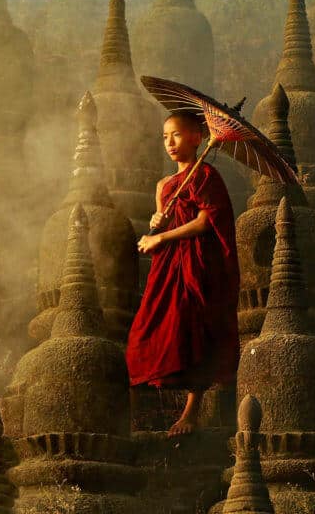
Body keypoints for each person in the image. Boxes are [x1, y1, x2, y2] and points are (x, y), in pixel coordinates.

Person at [126, 111, 240, 437]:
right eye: (165, 137)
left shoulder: (205, 175)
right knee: (144, 331)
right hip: (167, 265)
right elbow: (161, 218)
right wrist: (157, 223)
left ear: (196, 138)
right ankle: (133, 414)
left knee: (191, 328)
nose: (170, 143)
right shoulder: (164, 185)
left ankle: (191, 412)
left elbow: (205, 221)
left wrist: (162, 237)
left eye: (176, 135)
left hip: (196, 261)